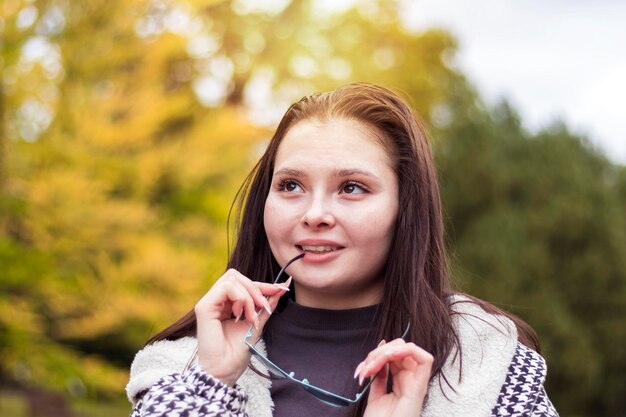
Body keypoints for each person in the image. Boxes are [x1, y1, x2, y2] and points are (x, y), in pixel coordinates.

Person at [125, 83, 558, 417]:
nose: (315, 213)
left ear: (404, 208)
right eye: (291, 185)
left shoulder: (484, 360)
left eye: (351, 187)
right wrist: (210, 384)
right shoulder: (179, 366)